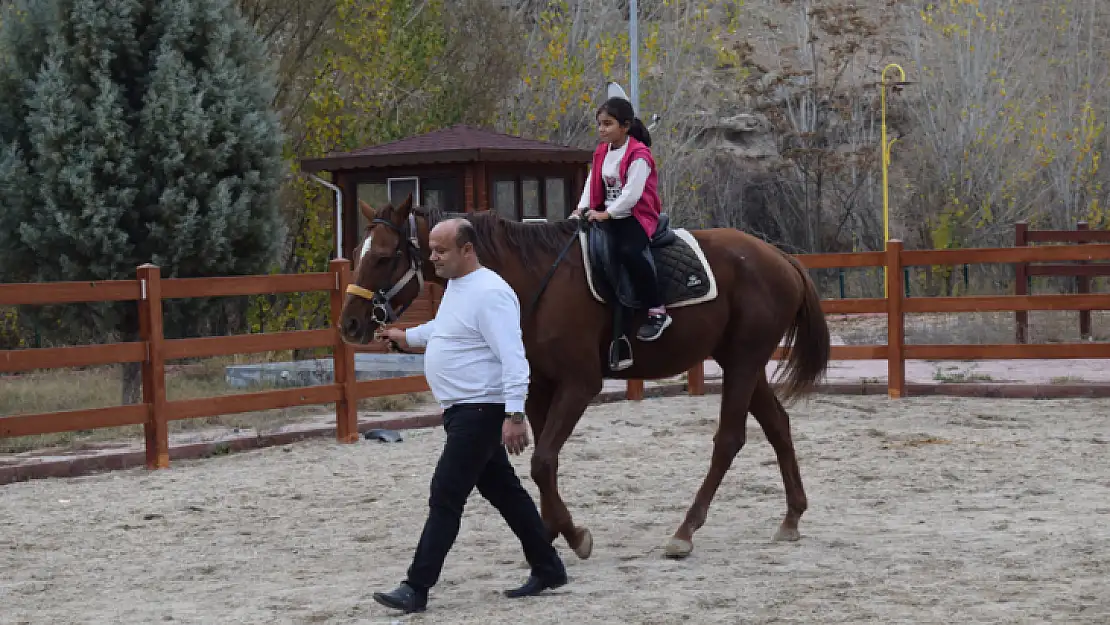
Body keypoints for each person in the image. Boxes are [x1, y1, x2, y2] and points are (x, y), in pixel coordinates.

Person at [372, 218, 568, 615]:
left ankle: (417, 586)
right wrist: (405, 337)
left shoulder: (491, 292)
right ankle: (548, 567)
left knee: (446, 494)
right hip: (463, 410)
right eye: (431, 250)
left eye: (441, 250)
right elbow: (447, 331)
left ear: (467, 250)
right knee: (505, 493)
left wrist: (515, 414)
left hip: (481, 409)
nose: (433, 258)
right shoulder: (458, 288)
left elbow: (514, 357)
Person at [572, 95, 672, 342]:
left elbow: (632, 194)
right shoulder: (602, 152)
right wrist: (581, 208)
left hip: (635, 215)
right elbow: (591, 182)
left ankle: (656, 309)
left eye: (608, 124)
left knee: (630, 251)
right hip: (605, 213)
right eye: (600, 124)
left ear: (625, 127)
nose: (601, 130)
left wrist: (607, 213)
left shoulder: (639, 155)